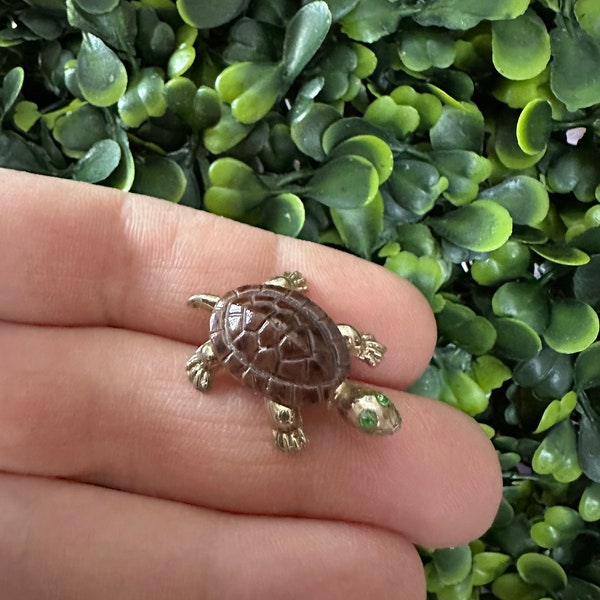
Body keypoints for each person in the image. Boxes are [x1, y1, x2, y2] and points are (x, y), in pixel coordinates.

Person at [0, 168, 501, 599]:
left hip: (262, 303)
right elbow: (285, 397)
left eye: (372, 411)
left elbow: (331, 340)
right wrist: (259, 400)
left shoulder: (331, 363)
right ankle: (206, 354)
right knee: (223, 353)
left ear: (359, 402)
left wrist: (351, 339)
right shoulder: (315, 378)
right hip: (244, 320)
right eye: (374, 410)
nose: (374, 410)